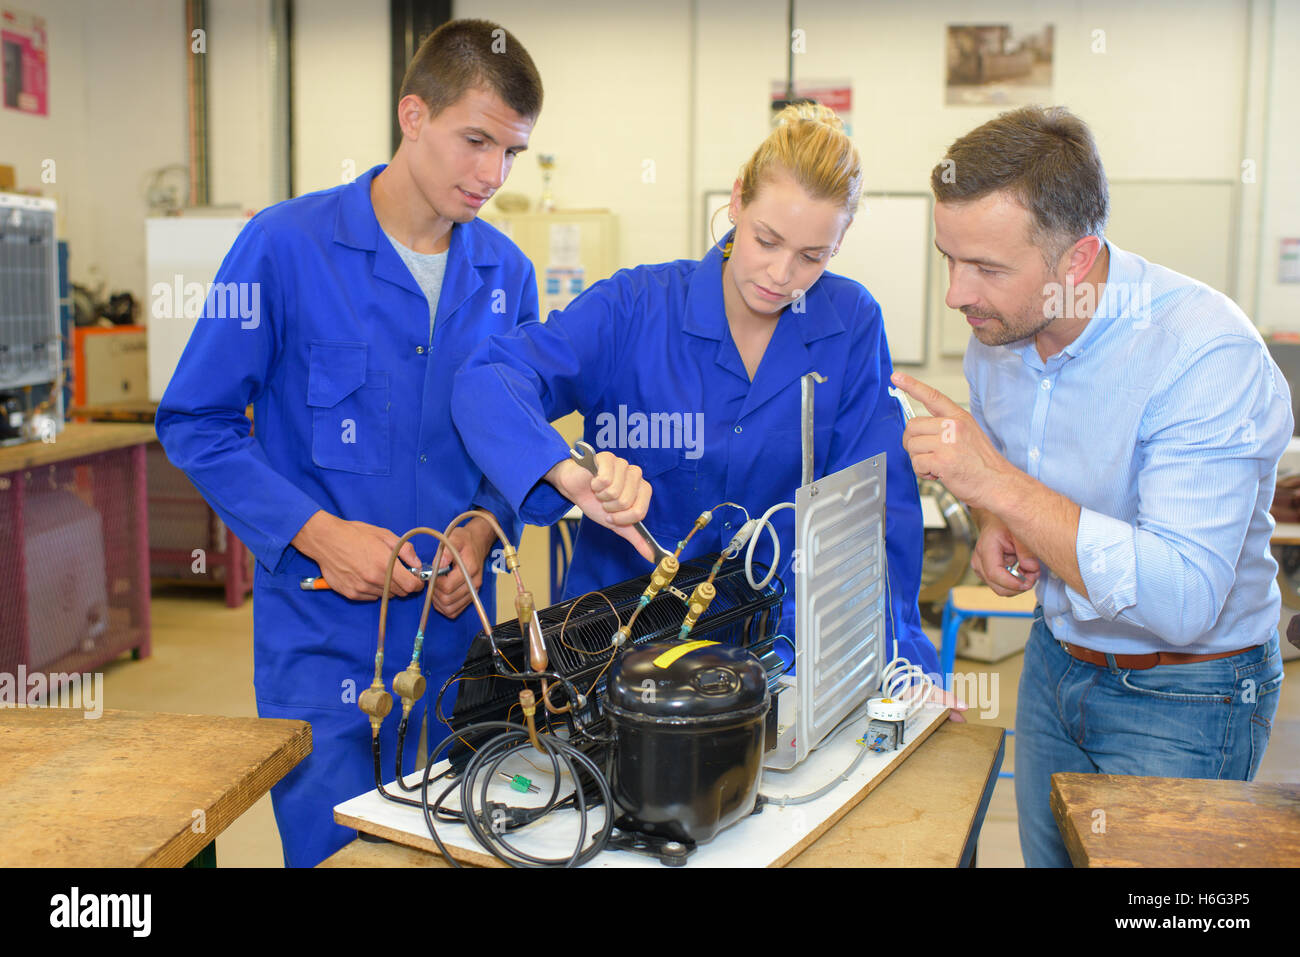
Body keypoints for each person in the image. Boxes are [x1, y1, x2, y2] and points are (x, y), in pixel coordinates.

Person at [155, 19, 544, 868]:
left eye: (513, 153)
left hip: (460, 644)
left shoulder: (507, 277)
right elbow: (196, 420)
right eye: (475, 140)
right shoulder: (284, 248)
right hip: (326, 643)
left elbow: (516, 441)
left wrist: (484, 526)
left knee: (465, 851)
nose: (492, 175)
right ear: (413, 115)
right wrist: (317, 530)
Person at [892, 105, 1290, 867]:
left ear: (1076, 261)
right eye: (950, 258)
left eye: (986, 268)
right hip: (1056, 661)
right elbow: (1017, 490)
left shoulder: (1204, 356)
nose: (955, 294)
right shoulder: (997, 336)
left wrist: (997, 486)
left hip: (1188, 695)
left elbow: (1182, 600)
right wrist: (991, 520)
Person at [451, 102, 939, 681]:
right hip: (618, 656)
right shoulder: (636, 308)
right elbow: (488, 379)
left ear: (841, 239)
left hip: (779, 656)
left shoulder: (849, 322)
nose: (782, 274)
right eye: (766, 239)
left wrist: (902, 664)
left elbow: (878, 511)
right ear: (736, 202)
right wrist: (567, 472)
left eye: (812, 255)